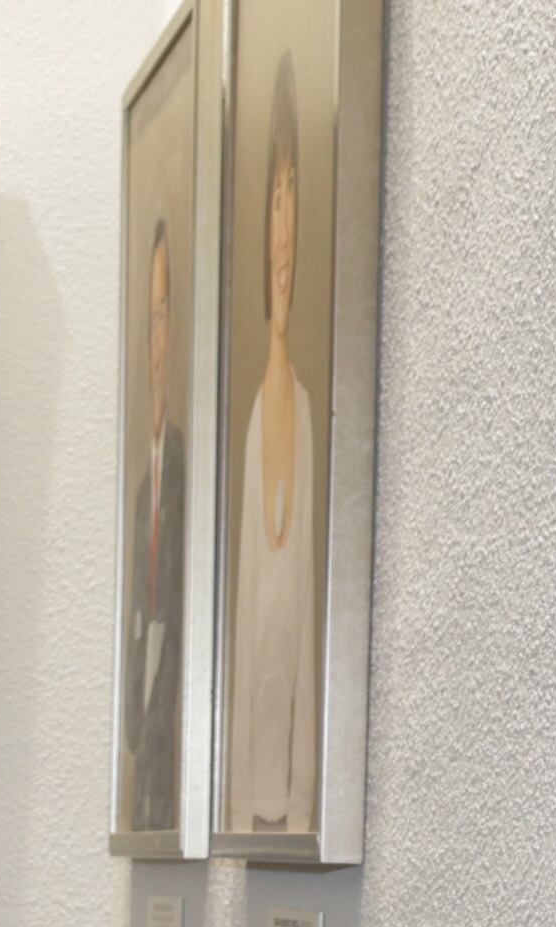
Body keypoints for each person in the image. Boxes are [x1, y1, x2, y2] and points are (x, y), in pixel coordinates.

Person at [217, 86, 321, 839]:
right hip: (246, 794)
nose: (282, 235)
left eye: (294, 198)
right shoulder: (251, 422)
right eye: (274, 199)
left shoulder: (309, 417)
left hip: (296, 798)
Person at [123, 215, 186, 838]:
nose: (158, 339)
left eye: (167, 317)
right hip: (146, 731)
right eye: (151, 321)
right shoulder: (145, 483)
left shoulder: (185, 466)